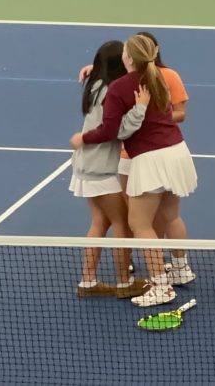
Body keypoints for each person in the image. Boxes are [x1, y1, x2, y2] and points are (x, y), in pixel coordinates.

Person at [71, 35, 199, 308]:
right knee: (169, 214)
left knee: (139, 225)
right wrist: (95, 68)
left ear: (128, 58)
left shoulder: (119, 88)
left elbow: (110, 130)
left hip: (151, 159)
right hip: (178, 152)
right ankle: (178, 269)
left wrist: (84, 139)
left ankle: (161, 287)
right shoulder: (158, 77)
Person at [69, 40, 145, 299]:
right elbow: (116, 130)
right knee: (122, 222)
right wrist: (140, 110)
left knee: (100, 221)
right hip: (99, 169)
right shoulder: (111, 92)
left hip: (85, 165)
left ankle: (87, 282)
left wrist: (94, 68)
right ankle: (125, 283)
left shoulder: (96, 85)